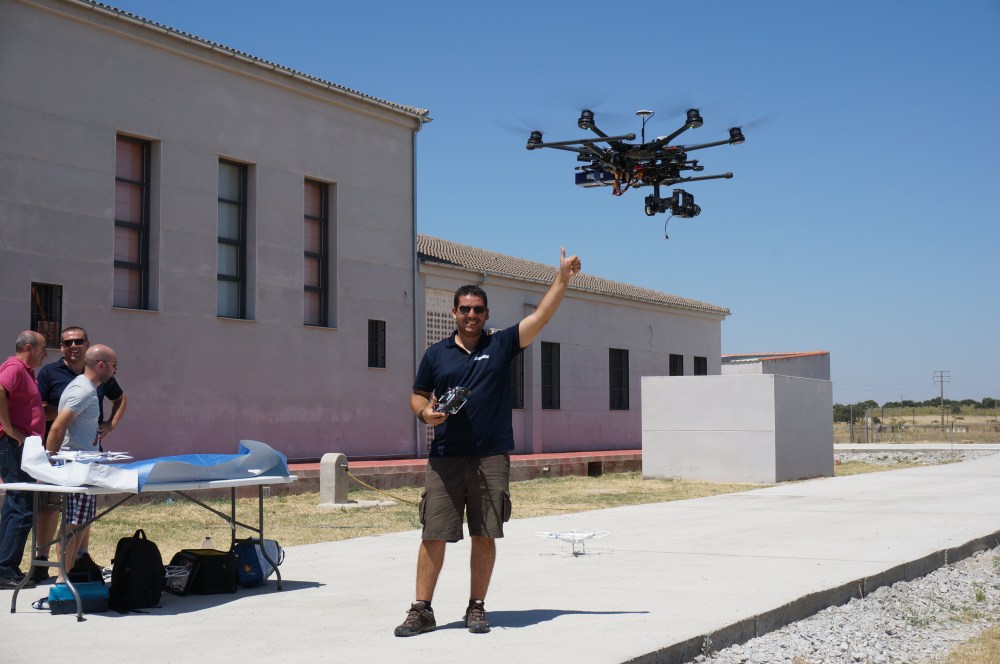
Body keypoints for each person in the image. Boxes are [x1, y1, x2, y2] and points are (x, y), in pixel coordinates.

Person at [394, 247, 581, 637]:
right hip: (445, 458)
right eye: (465, 309)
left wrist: (561, 278)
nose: (471, 315)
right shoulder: (435, 354)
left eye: (478, 309)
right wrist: (425, 414)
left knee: (484, 533)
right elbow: (416, 394)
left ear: (486, 314)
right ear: (454, 313)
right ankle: (421, 610)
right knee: (433, 534)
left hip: (490, 458)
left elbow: (541, 316)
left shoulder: (501, 345)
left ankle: (476, 608)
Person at [32, 326, 127, 582]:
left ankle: (70, 571)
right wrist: (48, 462)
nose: (115, 370)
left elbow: (121, 399)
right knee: (73, 523)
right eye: (114, 365)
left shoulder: (88, 386)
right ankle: (63, 578)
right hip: (73, 464)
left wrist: (109, 425)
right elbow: (58, 427)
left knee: (80, 522)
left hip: (85, 463)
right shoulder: (82, 390)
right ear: (101, 364)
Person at [0, 331, 47, 589]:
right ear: (29, 347)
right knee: (22, 508)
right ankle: (5, 569)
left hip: (21, 446)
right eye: (42, 348)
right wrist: (8, 429)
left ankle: (3, 564)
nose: (45, 354)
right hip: (12, 446)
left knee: (14, 507)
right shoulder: (15, 367)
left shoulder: (26, 372)